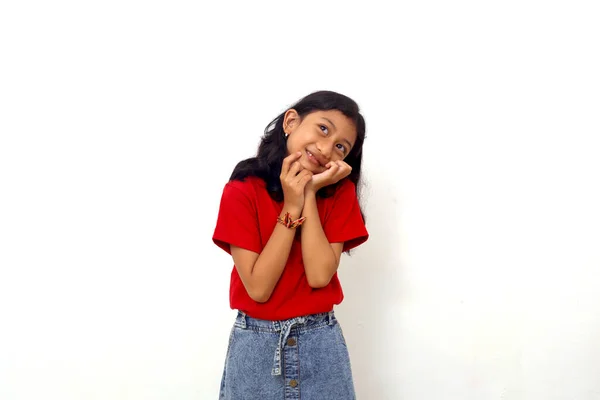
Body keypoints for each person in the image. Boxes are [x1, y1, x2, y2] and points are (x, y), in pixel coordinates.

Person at [212, 90, 369, 399]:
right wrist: (291, 205)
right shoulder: (242, 190)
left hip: (320, 344)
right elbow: (259, 288)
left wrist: (309, 192)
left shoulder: (339, 195)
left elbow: (319, 275)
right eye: (323, 128)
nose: (326, 149)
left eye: (341, 147)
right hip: (256, 347)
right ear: (291, 121)